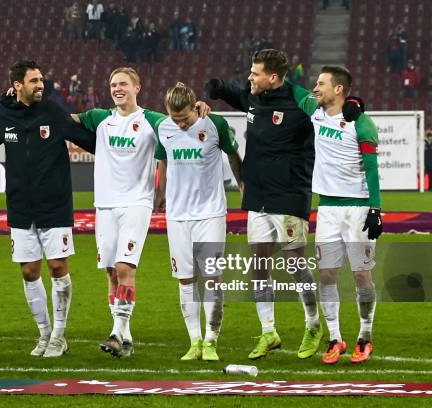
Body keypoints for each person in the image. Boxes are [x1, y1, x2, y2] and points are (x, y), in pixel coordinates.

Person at [72, 67, 210, 358]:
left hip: (137, 202)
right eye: (113, 84)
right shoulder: (100, 118)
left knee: (125, 268)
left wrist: (198, 108)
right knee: (111, 272)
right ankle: (126, 336)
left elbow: (182, 120)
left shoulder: (152, 121)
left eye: (123, 84)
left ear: (137, 88)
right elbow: (67, 121)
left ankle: (115, 332)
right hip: (105, 205)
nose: (117, 88)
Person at [205, 49, 322, 360]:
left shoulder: (300, 100)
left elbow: (324, 112)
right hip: (257, 196)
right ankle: (268, 331)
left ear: (272, 77)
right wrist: (215, 87)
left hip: (289, 195)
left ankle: (313, 324)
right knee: (258, 265)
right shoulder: (253, 97)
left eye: (255, 73)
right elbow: (232, 92)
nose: (250, 77)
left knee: (296, 264)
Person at [0, 60, 96, 358]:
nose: (40, 85)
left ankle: (59, 335)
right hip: (20, 206)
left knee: (58, 268)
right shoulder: (4, 114)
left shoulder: (53, 112)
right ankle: (43, 334)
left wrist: (121, 144)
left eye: (41, 79)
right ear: (18, 85)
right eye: (33, 81)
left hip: (54, 204)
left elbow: (86, 139)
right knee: (30, 272)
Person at [291, 66, 382, 364]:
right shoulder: (315, 111)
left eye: (321, 84)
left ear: (339, 89)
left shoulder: (362, 123)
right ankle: (334, 338)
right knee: (327, 274)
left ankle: (364, 336)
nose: (315, 88)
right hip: (327, 208)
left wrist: (375, 209)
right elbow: (290, 89)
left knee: (361, 275)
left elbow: (371, 169)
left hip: (357, 208)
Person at [153, 83, 243, 361]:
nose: (179, 125)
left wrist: (243, 187)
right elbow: (162, 163)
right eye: (174, 118)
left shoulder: (214, 123)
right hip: (178, 216)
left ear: (195, 107)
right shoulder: (164, 128)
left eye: (184, 119)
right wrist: (158, 196)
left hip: (210, 214)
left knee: (212, 279)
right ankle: (194, 342)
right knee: (185, 280)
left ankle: (211, 341)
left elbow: (233, 155)